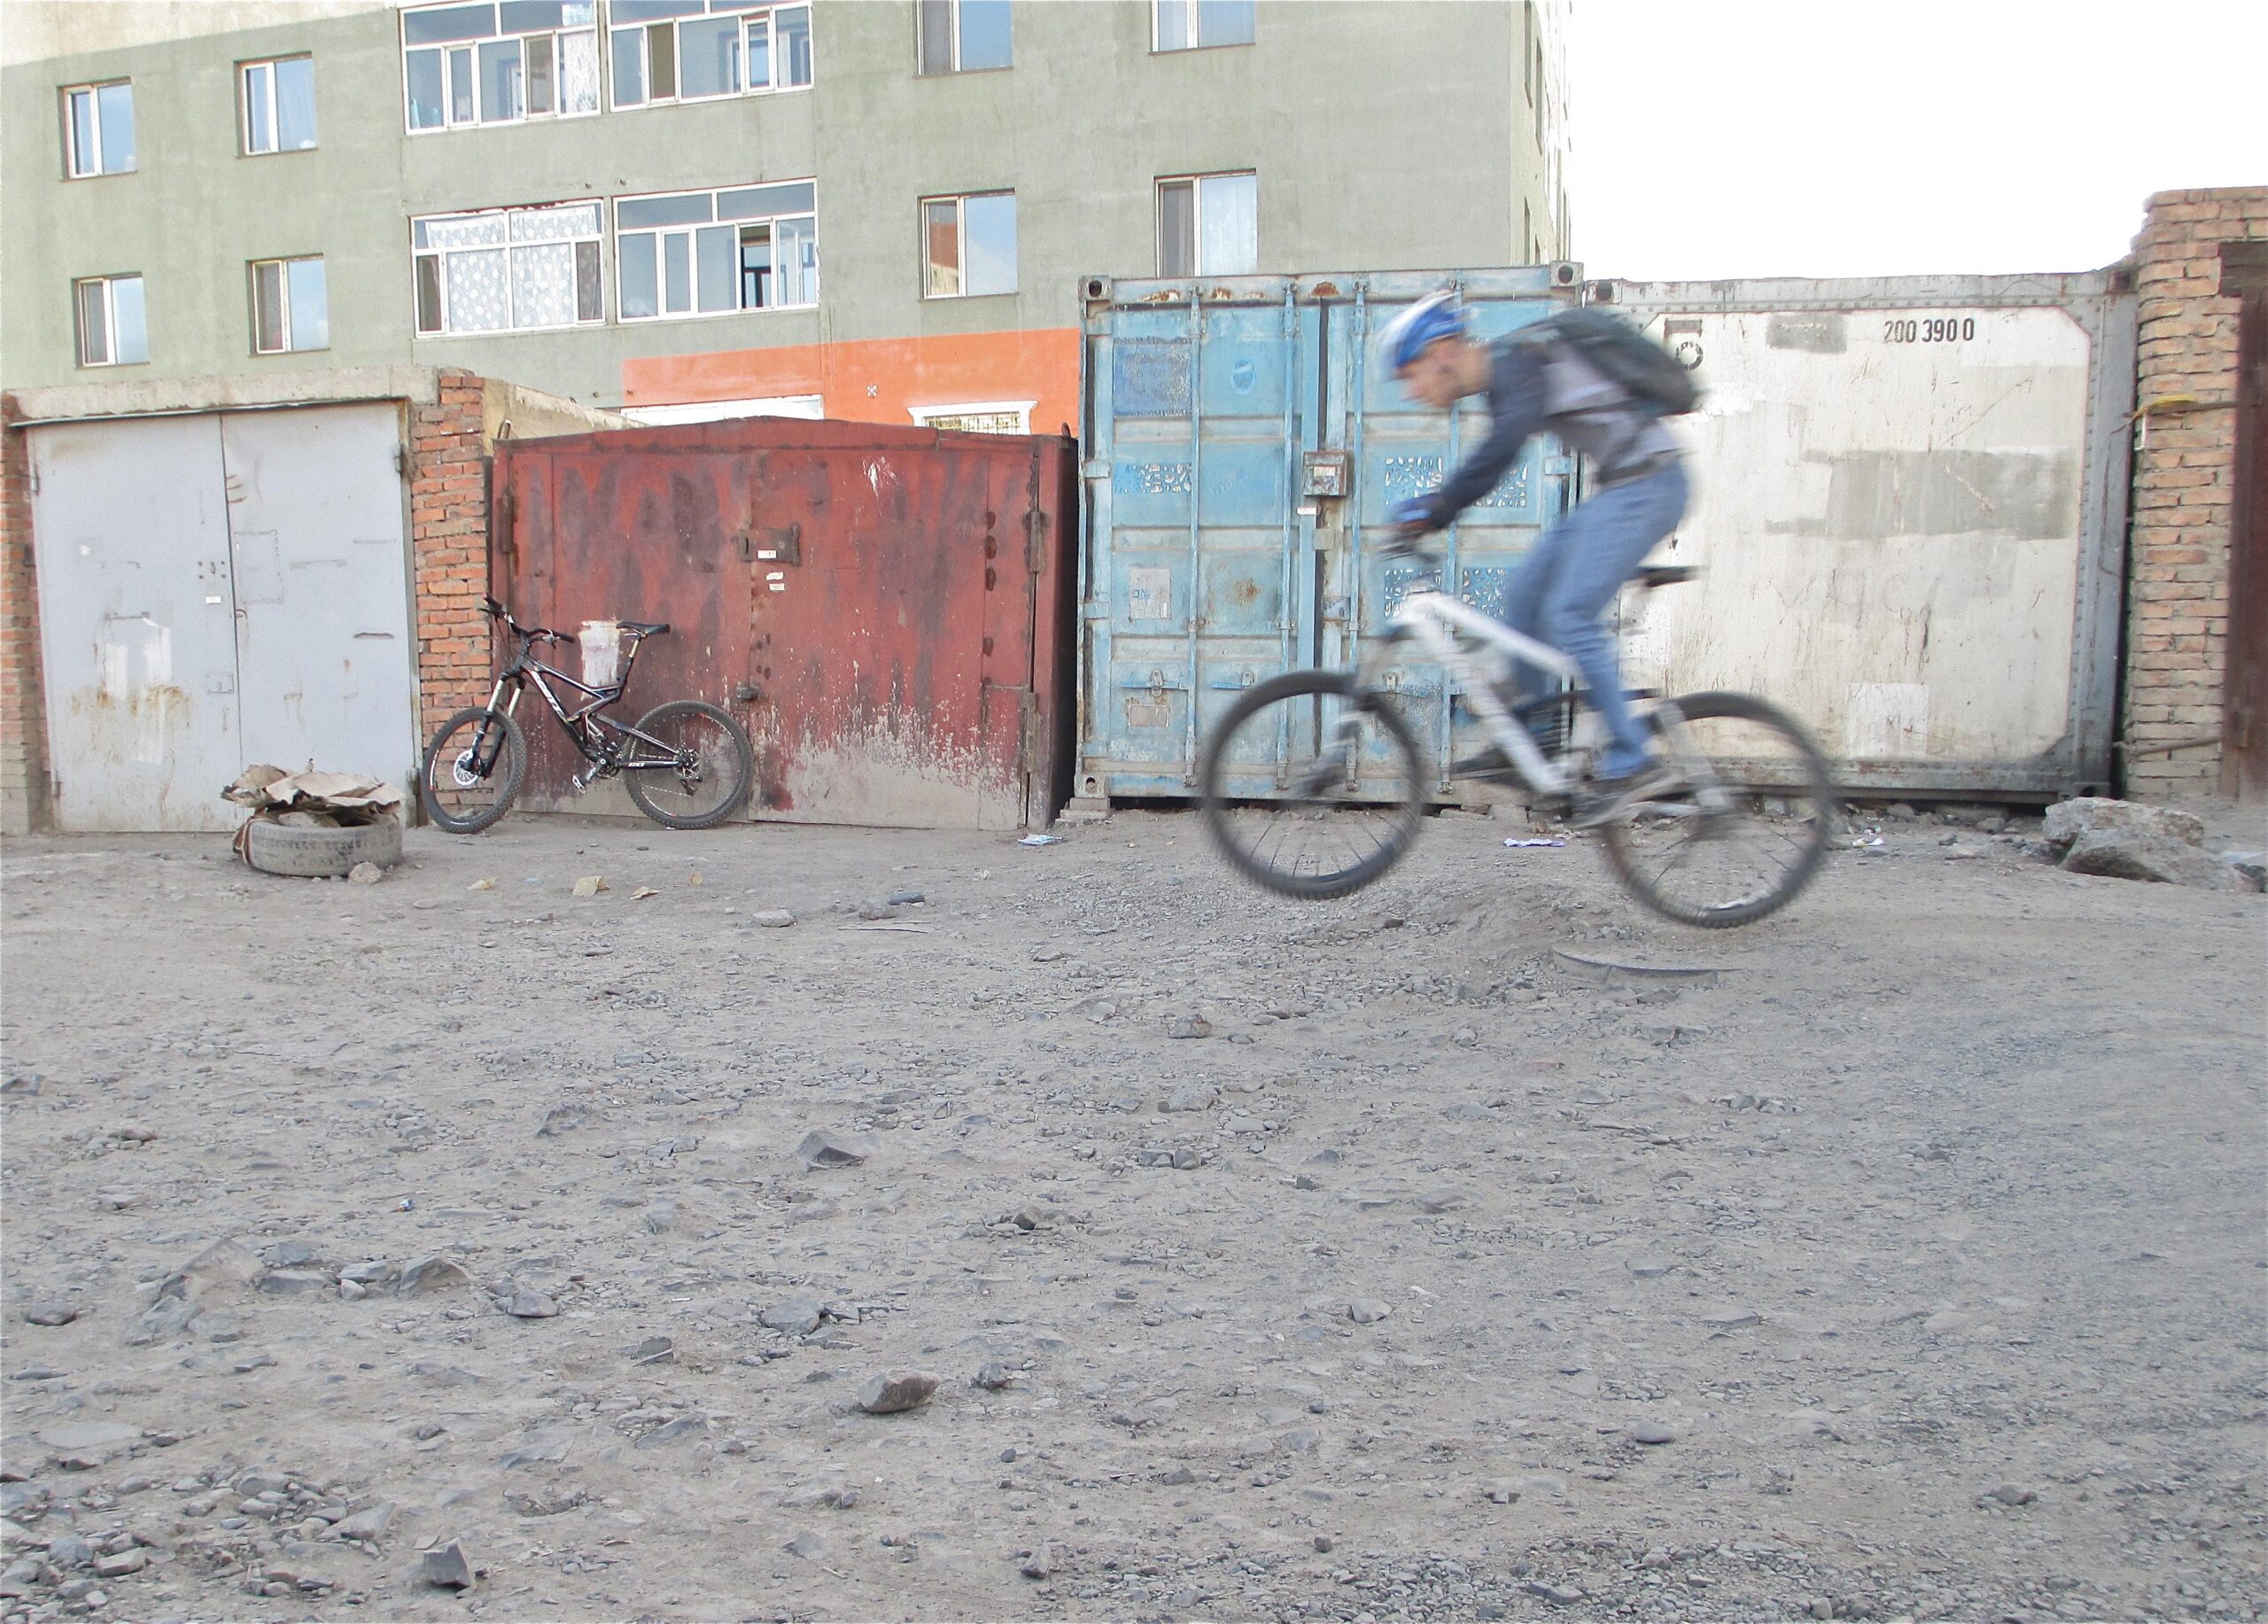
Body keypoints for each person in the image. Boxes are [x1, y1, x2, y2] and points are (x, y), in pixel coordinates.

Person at [1379, 291, 1689, 824]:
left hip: (1651, 485)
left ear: (1443, 351)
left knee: (1569, 613)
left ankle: (1635, 757)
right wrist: (1439, 509)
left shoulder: (1514, 363)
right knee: (1525, 592)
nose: (1412, 391)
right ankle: (1531, 740)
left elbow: (1500, 451)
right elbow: (1501, 446)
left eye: (1411, 374)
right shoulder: (1509, 372)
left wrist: (1437, 507)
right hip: (1620, 489)